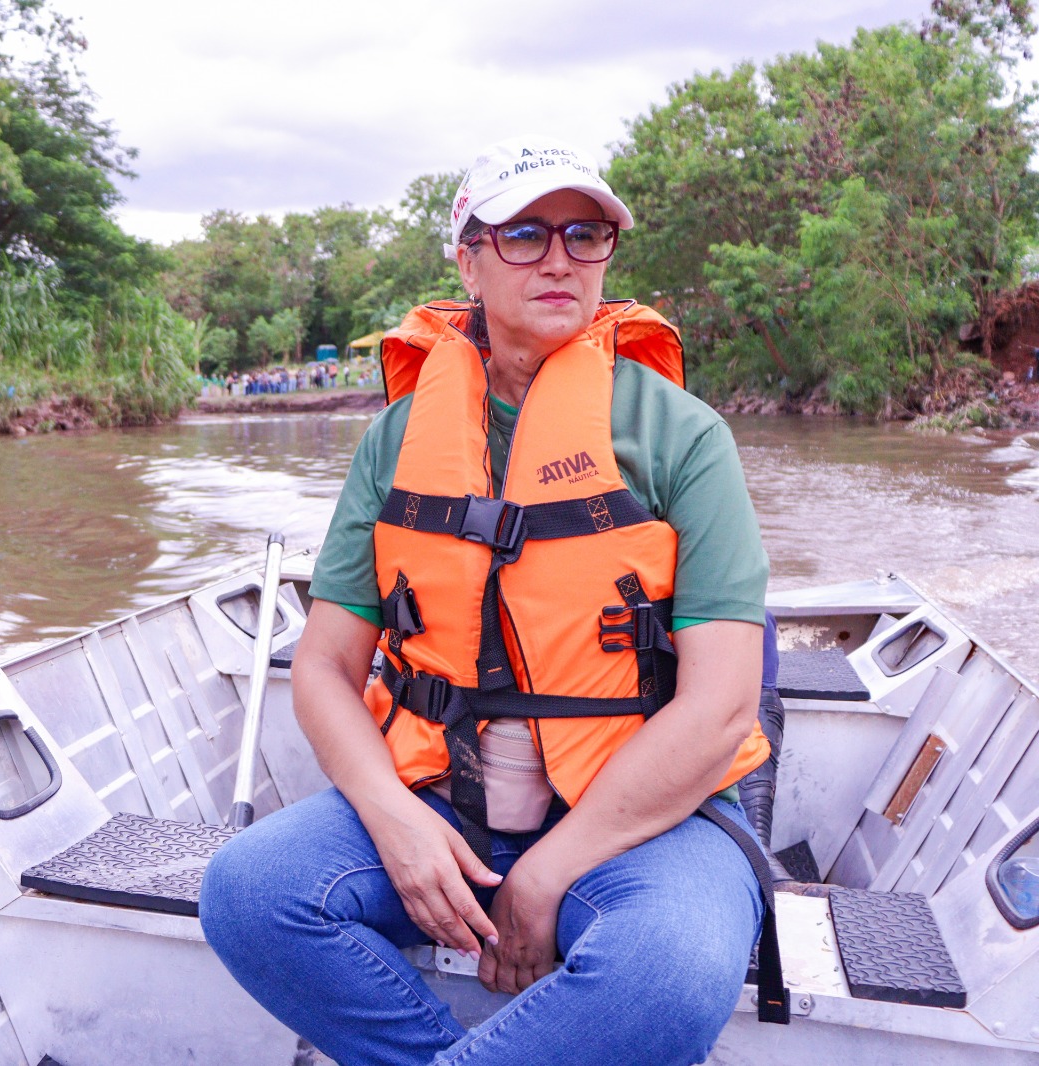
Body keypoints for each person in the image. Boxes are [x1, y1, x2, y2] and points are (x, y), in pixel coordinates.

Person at [201, 136, 777, 1066]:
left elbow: (720, 709)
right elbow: (322, 666)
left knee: (670, 974)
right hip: (440, 801)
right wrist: (393, 816)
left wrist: (551, 870)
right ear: (467, 259)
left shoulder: (683, 436)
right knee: (249, 892)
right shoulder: (395, 441)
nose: (559, 258)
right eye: (523, 234)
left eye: (586, 235)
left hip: (646, 825)